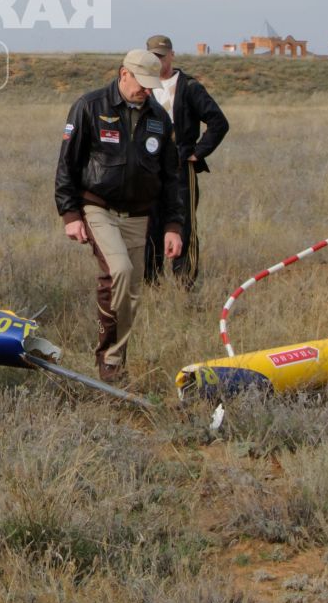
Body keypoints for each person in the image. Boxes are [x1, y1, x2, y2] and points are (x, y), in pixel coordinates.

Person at [55, 49, 187, 384]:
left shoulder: (159, 118)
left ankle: (115, 360)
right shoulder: (90, 106)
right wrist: (71, 214)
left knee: (129, 290)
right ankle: (109, 359)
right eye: (140, 83)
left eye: (150, 85)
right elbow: (67, 164)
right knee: (121, 272)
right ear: (122, 74)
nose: (145, 90)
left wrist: (174, 225)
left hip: (139, 215)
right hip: (97, 207)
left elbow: (172, 177)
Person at [142, 35, 230, 290]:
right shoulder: (143, 86)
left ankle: (185, 284)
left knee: (184, 224)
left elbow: (218, 122)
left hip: (181, 168)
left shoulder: (189, 87)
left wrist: (197, 152)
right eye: (153, 56)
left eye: (162, 56)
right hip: (149, 169)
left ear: (171, 55)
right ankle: (151, 282)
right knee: (150, 224)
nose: (158, 61)